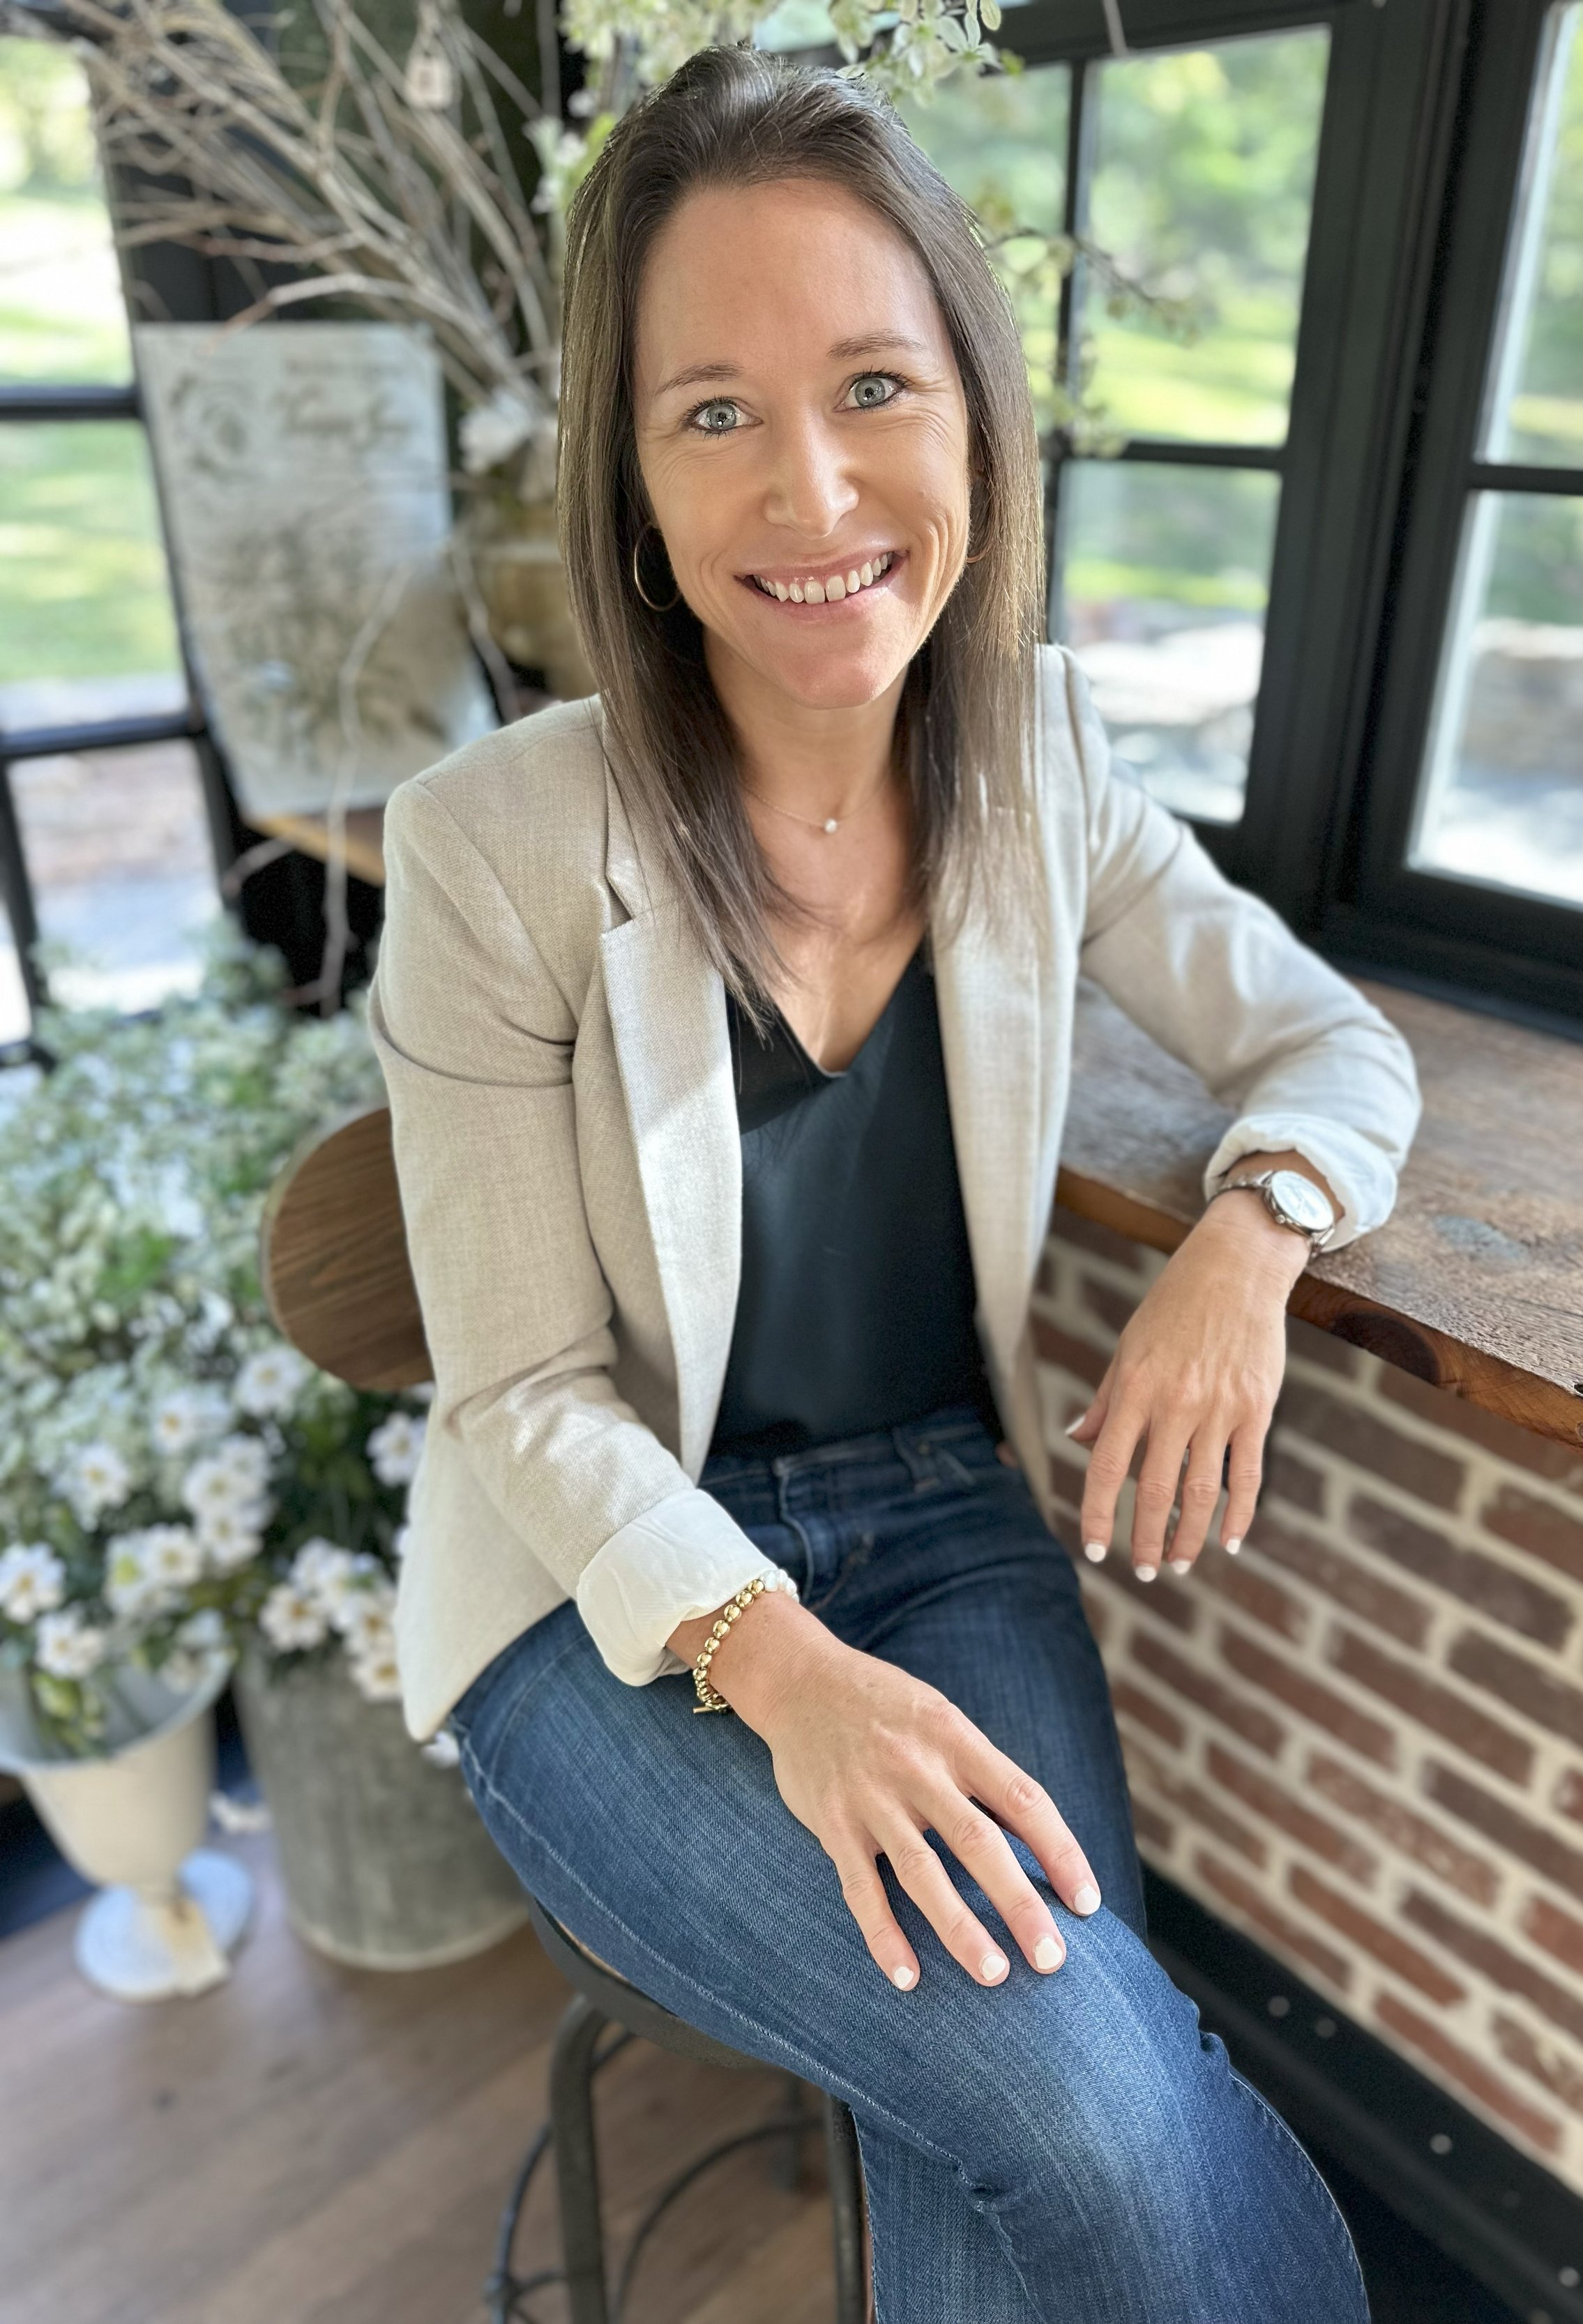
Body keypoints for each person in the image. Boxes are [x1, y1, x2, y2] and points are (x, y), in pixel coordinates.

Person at [368, 43, 1420, 2323]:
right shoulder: (495, 846)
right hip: (605, 1600)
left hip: (940, 1520)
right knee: (1089, 2109)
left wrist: (1251, 1234)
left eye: (872, 385)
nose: (811, 484)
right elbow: (526, 1393)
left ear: (973, 425)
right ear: (631, 487)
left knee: (1000, 2144)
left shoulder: (1037, 753)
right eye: (713, 411)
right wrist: (785, 1672)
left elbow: (1329, 1041)